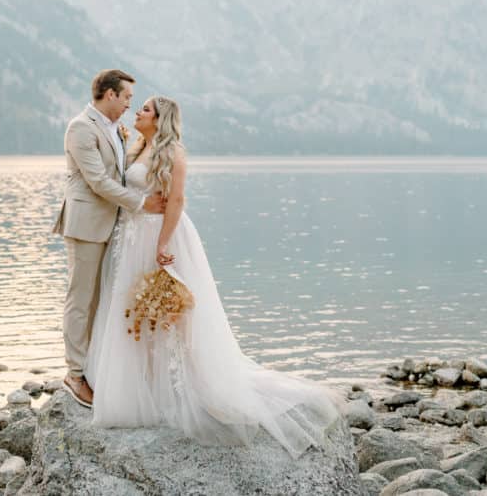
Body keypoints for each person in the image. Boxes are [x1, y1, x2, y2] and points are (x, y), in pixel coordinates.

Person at [84, 95, 344, 457]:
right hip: (131, 237)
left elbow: (176, 201)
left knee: (168, 313)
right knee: (136, 313)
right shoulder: (136, 146)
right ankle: (142, 387)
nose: (137, 111)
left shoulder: (173, 153)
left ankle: (180, 389)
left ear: (160, 119)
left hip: (160, 235)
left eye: (144, 109)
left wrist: (162, 244)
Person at [53, 69, 166, 408]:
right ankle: (74, 374)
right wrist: (142, 203)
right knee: (81, 298)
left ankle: (94, 367)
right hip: (86, 226)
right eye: (127, 97)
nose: (130, 104)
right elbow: (98, 181)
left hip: (113, 227)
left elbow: (120, 172)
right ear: (110, 94)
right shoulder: (81, 128)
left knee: (102, 300)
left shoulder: (115, 129)